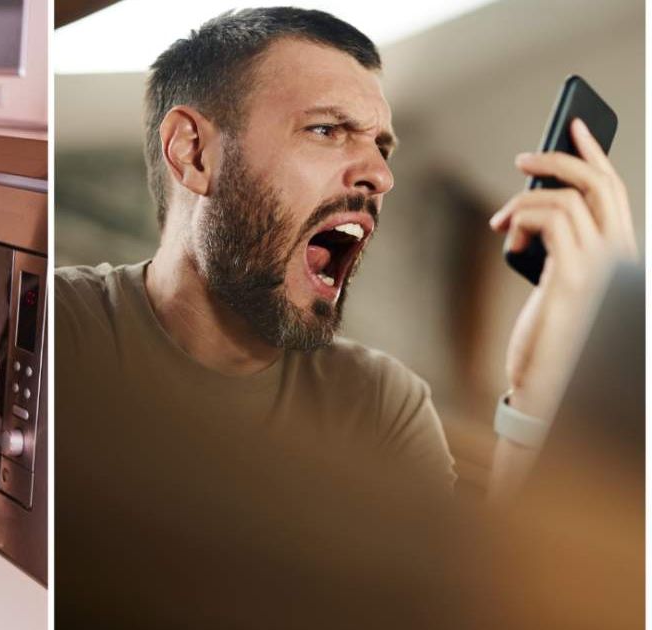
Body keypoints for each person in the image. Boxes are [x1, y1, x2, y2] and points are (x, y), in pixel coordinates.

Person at [55, 7, 637, 624]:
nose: (380, 176)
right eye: (327, 130)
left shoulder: (379, 403)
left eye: (381, 146)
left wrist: (539, 393)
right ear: (192, 153)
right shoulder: (64, 335)